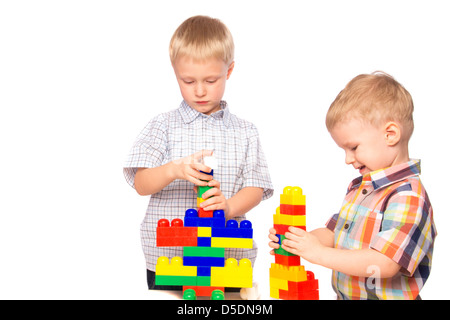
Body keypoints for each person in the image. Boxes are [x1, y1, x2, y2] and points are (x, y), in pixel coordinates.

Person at [124, 15, 273, 290]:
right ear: (175, 72)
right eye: (188, 81)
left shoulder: (246, 132)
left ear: (229, 71)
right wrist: (173, 170)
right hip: (167, 261)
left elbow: (255, 188)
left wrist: (228, 208)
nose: (200, 90)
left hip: (227, 261)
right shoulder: (162, 125)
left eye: (211, 80)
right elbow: (141, 184)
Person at [269, 71, 437, 300]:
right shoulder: (361, 188)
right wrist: (300, 240)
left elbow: (385, 262)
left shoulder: (407, 195)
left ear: (390, 135)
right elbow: (334, 233)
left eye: (354, 148)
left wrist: (318, 253)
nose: (348, 159)